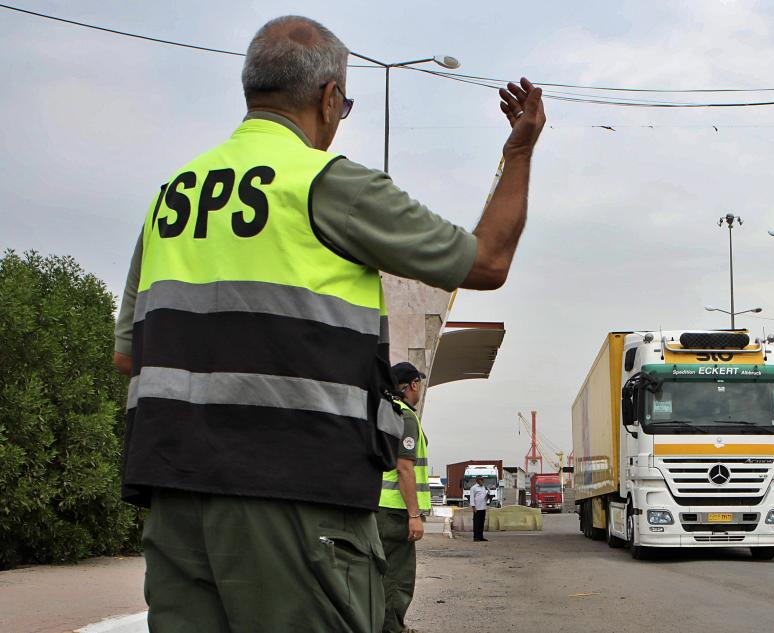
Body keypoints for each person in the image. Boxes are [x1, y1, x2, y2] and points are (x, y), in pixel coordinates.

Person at [112, 15, 546, 632]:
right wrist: (519, 153)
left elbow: (131, 356)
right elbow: (488, 259)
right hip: (294, 494)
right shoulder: (326, 183)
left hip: (173, 494)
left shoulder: (171, 199)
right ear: (330, 97)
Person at [377, 362, 429, 633]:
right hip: (396, 512)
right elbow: (404, 467)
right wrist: (414, 515)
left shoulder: (386, 412)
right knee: (398, 577)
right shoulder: (406, 416)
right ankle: (392, 629)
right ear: (412, 385)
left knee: (382, 574)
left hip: (382, 509)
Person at [470, 476, 490, 542]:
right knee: (477, 523)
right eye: (482, 480)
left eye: (483, 480)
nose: (483, 482)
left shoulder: (483, 487)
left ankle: (481, 537)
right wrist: (473, 507)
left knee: (481, 523)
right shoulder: (473, 488)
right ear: (478, 481)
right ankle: (476, 537)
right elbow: (472, 498)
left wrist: (488, 496)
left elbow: (484, 498)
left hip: (483, 507)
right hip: (477, 508)